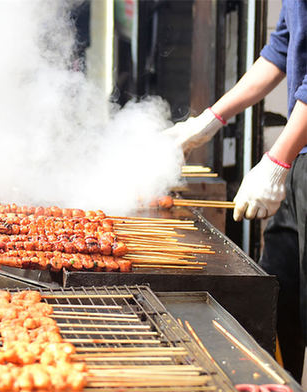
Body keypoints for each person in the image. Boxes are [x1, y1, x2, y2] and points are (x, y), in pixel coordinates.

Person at [163, 0, 306, 382]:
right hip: (300, 158)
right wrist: (209, 121)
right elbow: (280, 49)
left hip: (298, 152)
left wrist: (278, 158)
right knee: (281, 296)